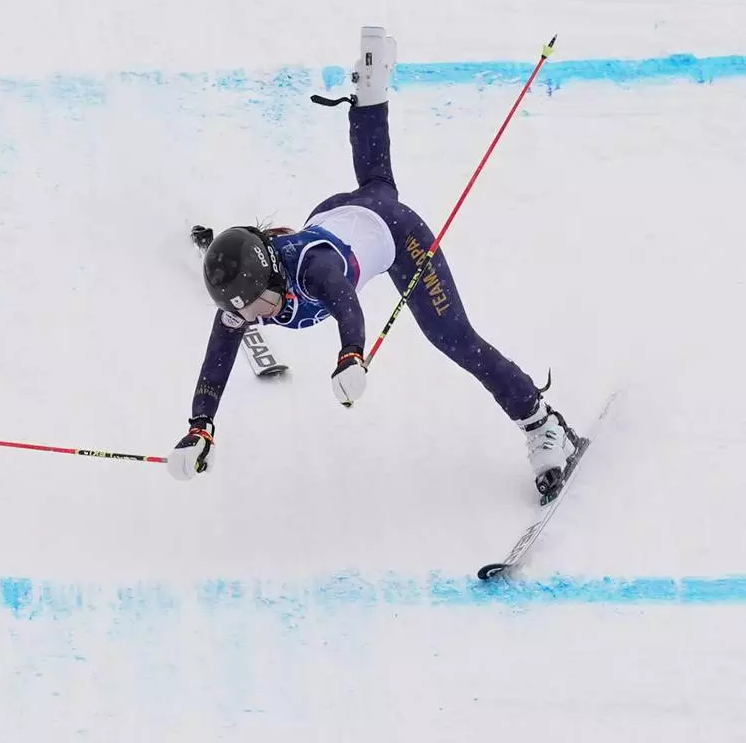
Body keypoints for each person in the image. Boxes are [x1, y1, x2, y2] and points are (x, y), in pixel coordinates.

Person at [167, 26, 582, 501]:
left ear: (273, 275)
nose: (256, 318)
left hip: (395, 233)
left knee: (453, 336)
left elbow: (346, 303)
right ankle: (371, 92)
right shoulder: (249, 301)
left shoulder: (313, 267)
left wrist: (351, 354)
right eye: (246, 312)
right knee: (375, 181)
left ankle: (542, 424)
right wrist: (201, 427)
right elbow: (216, 359)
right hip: (337, 212)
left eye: (259, 303)